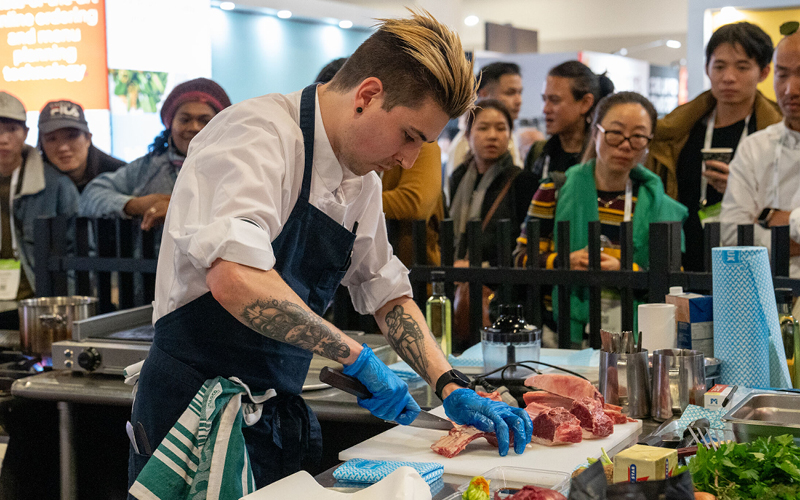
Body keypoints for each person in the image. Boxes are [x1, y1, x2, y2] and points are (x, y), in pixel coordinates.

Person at [130, 10, 532, 492]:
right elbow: (236, 278)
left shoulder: (359, 179)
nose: (407, 159)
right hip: (191, 413)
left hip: (273, 415)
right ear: (367, 95)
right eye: (409, 136)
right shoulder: (256, 135)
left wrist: (449, 384)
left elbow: (386, 292)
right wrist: (356, 357)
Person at [515, 92, 687, 344]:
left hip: (637, 339)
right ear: (596, 132)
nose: (625, 145)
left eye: (638, 136)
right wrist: (564, 261)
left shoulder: (661, 205)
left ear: (648, 143)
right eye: (615, 133)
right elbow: (520, 259)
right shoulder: (554, 190)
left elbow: (675, 279)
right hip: (560, 335)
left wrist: (626, 271)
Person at [647, 22, 780, 271]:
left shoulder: (776, 132)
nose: (728, 77)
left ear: (763, 72)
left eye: (742, 67)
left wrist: (741, 190)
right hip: (684, 260)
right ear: (707, 68)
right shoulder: (677, 130)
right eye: (719, 66)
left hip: (753, 264)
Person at [315, 57, 445, 266]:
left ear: (364, 98)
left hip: (411, 262)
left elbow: (416, 202)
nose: (406, 160)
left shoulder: (417, 137)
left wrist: (343, 201)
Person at [80, 78, 231, 230]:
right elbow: (91, 195)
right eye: (184, 119)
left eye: (205, 121)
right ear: (170, 125)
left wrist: (180, 209)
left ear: (220, 126)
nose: (194, 127)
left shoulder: (234, 168)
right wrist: (134, 205)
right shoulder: (147, 167)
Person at [722, 25, 800, 277]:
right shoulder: (755, 147)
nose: (790, 90)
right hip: (762, 296)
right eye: (782, 74)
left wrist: (777, 218)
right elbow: (732, 235)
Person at [0, 92, 79, 300]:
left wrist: (65, 302)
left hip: (39, 302)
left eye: (12, 129)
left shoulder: (56, 185)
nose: (3, 139)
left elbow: (77, 252)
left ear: (26, 133)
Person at [450, 99, 534, 266]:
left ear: (510, 134)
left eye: (501, 128)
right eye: (483, 128)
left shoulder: (522, 181)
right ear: (468, 135)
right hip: (459, 273)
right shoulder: (458, 177)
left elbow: (526, 244)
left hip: (502, 280)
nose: (492, 136)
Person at [525, 61, 614, 181]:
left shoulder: (602, 157)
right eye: (544, 99)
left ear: (585, 103)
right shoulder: (539, 154)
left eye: (555, 100)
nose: (545, 109)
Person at [445, 62, 525, 193]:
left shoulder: (512, 137)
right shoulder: (466, 142)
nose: (518, 100)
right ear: (483, 94)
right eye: (510, 93)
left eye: (520, 93)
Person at [38, 99, 125, 193]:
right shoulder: (30, 178)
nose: (63, 147)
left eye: (72, 136)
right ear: (41, 144)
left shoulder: (119, 174)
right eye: (51, 139)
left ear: (88, 138)